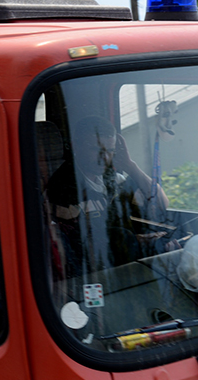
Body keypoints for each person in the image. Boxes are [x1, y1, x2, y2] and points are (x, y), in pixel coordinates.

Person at [46, 116, 170, 275]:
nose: (104, 158)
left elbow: (161, 204)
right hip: (96, 274)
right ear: (76, 146)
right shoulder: (61, 189)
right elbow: (83, 248)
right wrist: (140, 242)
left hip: (125, 266)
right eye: (97, 150)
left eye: (110, 151)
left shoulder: (114, 179)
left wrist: (131, 167)